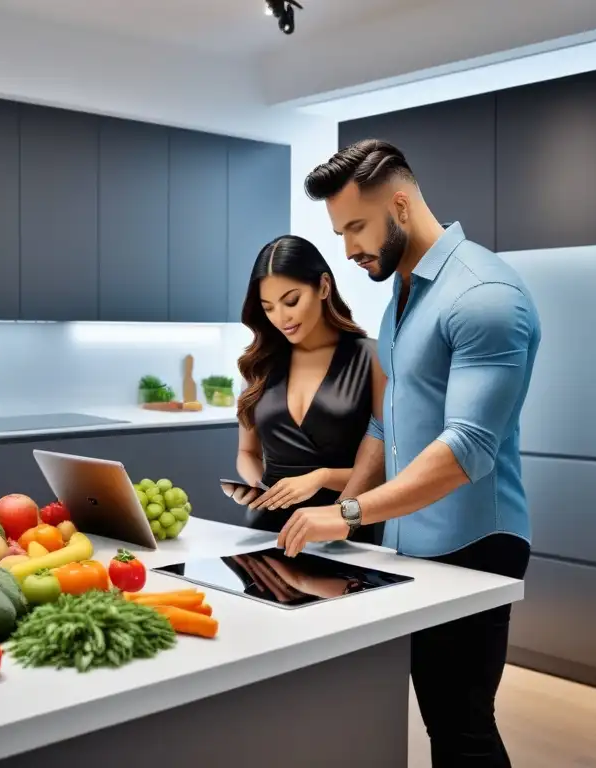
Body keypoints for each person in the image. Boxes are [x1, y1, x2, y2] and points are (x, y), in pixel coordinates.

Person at [278, 138, 541, 768]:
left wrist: (347, 515)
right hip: (412, 539)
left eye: (357, 228)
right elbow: (384, 424)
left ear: (400, 205)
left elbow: (467, 448)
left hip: (477, 543)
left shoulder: (484, 295)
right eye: (340, 232)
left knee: (462, 726)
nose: (347, 250)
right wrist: (340, 516)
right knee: (434, 717)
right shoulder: (403, 293)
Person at [230, 234, 386, 545]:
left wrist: (323, 477)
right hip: (266, 530)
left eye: (291, 301)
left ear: (324, 287)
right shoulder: (259, 366)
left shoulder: (373, 358)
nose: (281, 318)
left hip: (342, 526)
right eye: (268, 307)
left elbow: (386, 466)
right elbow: (247, 453)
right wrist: (257, 488)